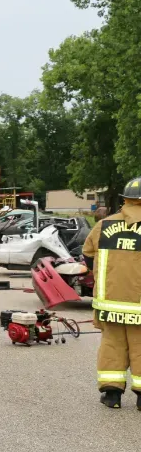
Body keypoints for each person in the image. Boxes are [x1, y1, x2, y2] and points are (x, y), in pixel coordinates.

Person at [83, 175, 141, 409]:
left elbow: (87, 256)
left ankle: (112, 395)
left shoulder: (103, 225)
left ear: (125, 199)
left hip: (109, 304)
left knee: (112, 345)